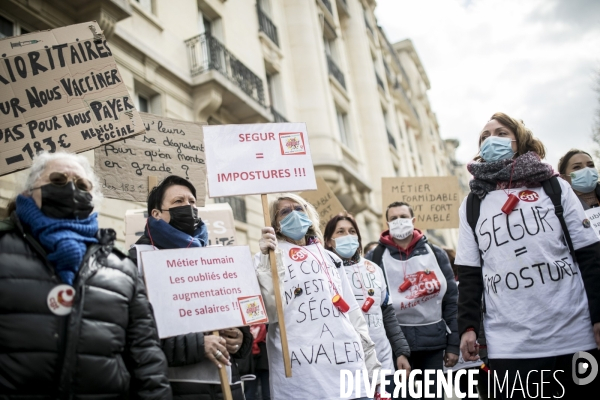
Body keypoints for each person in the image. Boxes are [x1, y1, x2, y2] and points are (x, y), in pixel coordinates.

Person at [0, 151, 171, 398]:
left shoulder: (121, 268)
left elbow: (146, 357)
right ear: (28, 192)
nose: (71, 188)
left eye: (82, 185)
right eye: (58, 180)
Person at [456, 112, 600, 399]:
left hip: (573, 335)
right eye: (484, 137)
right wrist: (468, 328)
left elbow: (589, 256)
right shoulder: (472, 204)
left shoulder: (554, 187)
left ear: (518, 140)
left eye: (499, 133)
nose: (490, 140)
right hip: (510, 345)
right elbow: (470, 274)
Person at [129, 175, 252, 400]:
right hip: (172, 388)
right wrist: (197, 345)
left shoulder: (214, 258)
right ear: (156, 214)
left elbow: (237, 312)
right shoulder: (137, 261)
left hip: (228, 387)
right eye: (178, 202)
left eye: (192, 201)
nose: (188, 207)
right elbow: (132, 334)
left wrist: (241, 338)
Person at [256, 193, 381, 400]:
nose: (294, 214)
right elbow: (271, 313)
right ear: (275, 224)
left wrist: (371, 364)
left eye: (299, 209)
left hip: (347, 364)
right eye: (285, 211)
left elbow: (352, 312)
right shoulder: (266, 259)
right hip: (304, 374)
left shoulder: (331, 257)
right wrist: (267, 262)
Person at [366, 201, 459, 399]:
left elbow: (451, 301)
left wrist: (453, 345)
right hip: (396, 348)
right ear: (387, 224)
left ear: (413, 220)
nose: (399, 222)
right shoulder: (375, 258)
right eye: (393, 219)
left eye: (403, 217)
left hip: (433, 345)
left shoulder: (436, 254)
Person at [323, 213, 411, 393]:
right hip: (345, 363)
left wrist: (401, 351)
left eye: (352, 231)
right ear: (329, 241)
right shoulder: (324, 274)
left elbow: (387, 314)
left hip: (383, 358)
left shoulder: (374, 269)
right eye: (340, 232)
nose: (348, 236)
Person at [243, 324, 270, 400]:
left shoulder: (267, 327)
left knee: (267, 393)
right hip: (251, 364)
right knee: (249, 394)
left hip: (263, 363)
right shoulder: (246, 327)